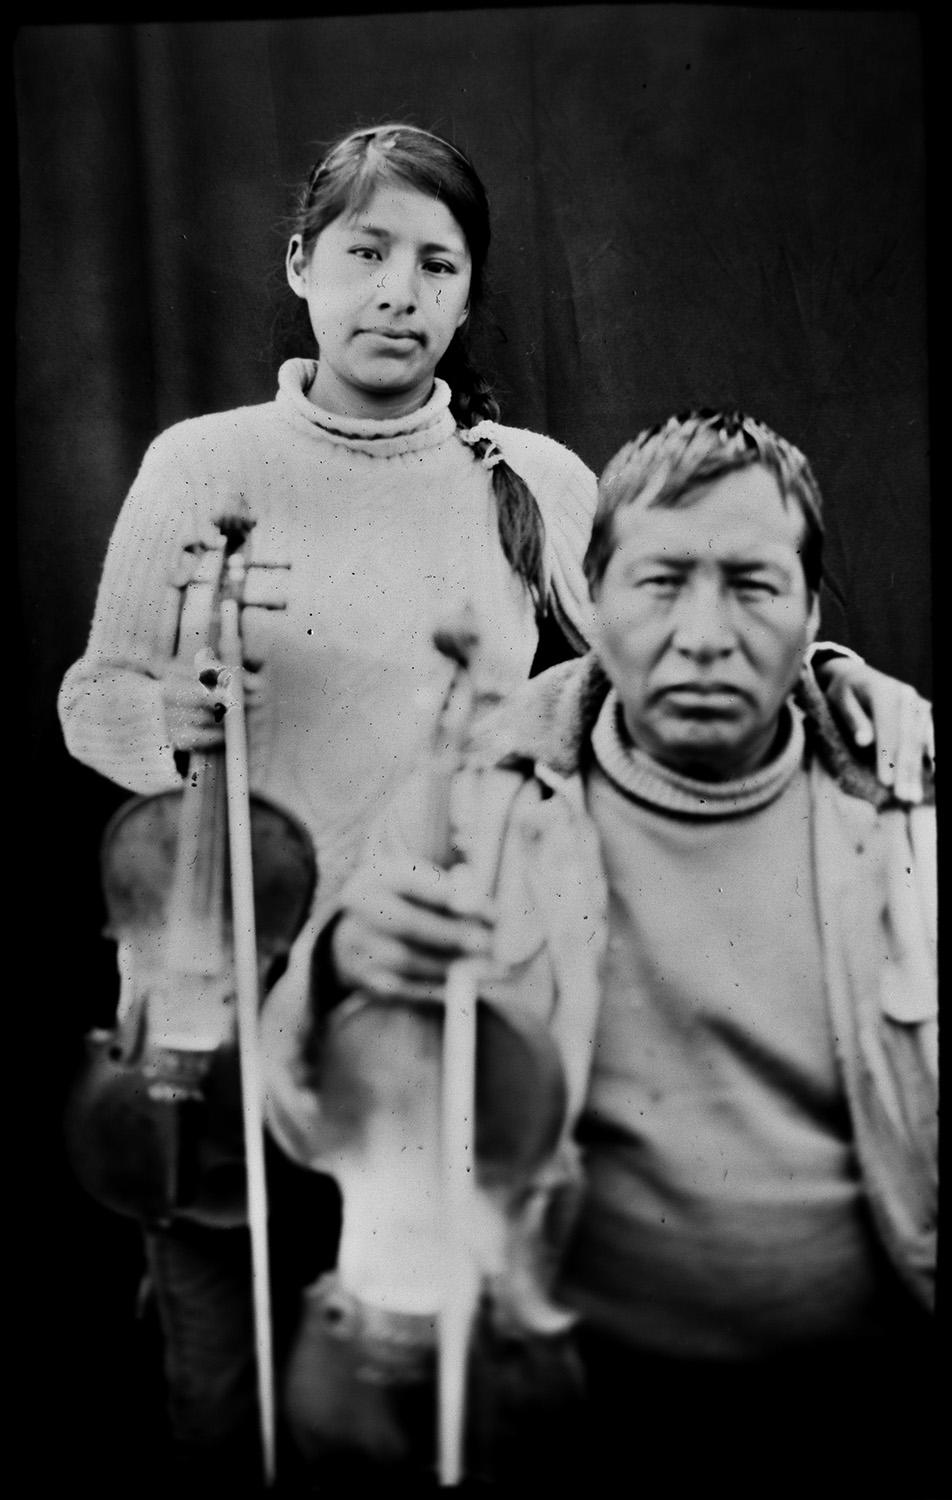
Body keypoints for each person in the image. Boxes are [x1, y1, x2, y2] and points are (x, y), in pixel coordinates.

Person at [59, 118, 929, 1491]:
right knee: (218, 1383)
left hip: (442, 996)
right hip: (229, 980)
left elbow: (651, 651)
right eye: (366, 255)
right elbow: (95, 689)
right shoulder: (203, 464)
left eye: (437, 264)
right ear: (302, 267)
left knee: (415, 1388)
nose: (399, 292)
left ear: (469, 294)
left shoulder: (531, 480)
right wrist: (159, 725)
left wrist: (826, 670)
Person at [275, 410, 938, 1497]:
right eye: (659, 582)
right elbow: (302, 1124)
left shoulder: (906, 805)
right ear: (595, 596)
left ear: (813, 608)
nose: (703, 633)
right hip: (564, 1411)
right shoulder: (475, 803)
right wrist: (342, 964)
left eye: (755, 585)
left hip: (875, 1396)